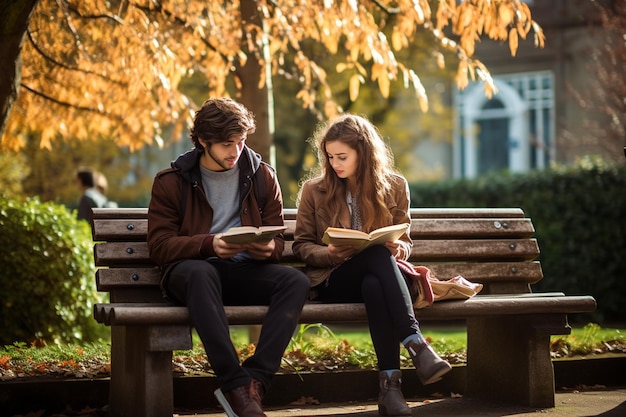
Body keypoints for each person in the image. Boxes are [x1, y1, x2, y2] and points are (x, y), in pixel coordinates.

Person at [147, 97, 309, 417]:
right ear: (203, 141)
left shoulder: (262, 175)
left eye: (241, 141)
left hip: (242, 269)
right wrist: (209, 245)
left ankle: (256, 380)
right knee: (200, 273)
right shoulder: (172, 181)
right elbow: (161, 246)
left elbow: (277, 236)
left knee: (295, 281)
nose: (235, 151)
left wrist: (269, 249)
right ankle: (234, 385)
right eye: (226, 144)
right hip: (193, 275)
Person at [293, 114, 452, 416]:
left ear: (363, 153)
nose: (335, 163)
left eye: (342, 156)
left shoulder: (394, 186)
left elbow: (404, 239)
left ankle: (391, 391)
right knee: (376, 259)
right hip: (336, 278)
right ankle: (416, 345)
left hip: (381, 280)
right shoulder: (315, 190)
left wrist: (400, 247)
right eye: (330, 156)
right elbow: (301, 245)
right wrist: (329, 254)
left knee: (375, 280)